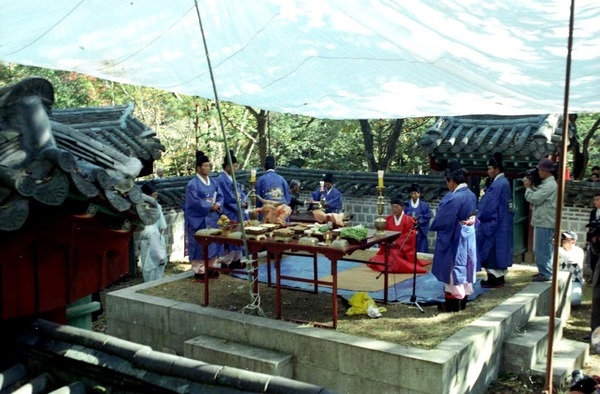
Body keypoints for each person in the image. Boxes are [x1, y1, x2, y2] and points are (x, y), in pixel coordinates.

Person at [430, 160, 478, 313]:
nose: (448, 185)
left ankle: (452, 306)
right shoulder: (471, 194)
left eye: (447, 182)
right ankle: (462, 303)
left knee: (452, 271)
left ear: (452, 181)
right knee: (464, 268)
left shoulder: (454, 198)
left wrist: (434, 225)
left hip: (454, 237)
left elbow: (442, 220)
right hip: (467, 236)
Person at [183, 150, 224, 281]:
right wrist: (208, 206)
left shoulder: (214, 182)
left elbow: (221, 195)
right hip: (199, 218)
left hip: (212, 218)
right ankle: (199, 270)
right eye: (205, 166)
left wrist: (218, 203)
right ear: (198, 168)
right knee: (199, 244)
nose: (208, 168)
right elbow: (193, 202)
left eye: (209, 166)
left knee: (213, 243)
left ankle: (212, 267)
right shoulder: (192, 184)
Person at [476, 152, 514, 288]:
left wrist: (480, 215)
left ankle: (493, 280)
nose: (488, 171)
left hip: (495, 223)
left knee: (492, 252)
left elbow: (488, 205)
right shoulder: (504, 183)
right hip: (503, 223)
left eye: (490, 168)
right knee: (501, 251)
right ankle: (500, 278)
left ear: (496, 169)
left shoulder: (498, 185)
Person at [367, 195, 429, 274]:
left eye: (396, 207)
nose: (394, 209)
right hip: (389, 247)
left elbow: (411, 235)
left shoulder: (409, 220)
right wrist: (388, 242)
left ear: (402, 208)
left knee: (393, 259)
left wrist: (397, 242)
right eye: (392, 207)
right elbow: (383, 233)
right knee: (377, 260)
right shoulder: (387, 219)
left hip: (403, 249)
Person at [524, 158, 558, 282]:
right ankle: (544, 271)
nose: (538, 172)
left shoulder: (549, 185)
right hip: (544, 220)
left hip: (545, 221)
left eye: (540, 170)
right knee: (544, 248)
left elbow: (534, 198)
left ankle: (545, 273)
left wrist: (528, 188)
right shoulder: (547, 184)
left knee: (543, 248)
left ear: (546, 171)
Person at [215, 150, 247, 270]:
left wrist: (243, 200)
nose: (236, 169)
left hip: (237, 211)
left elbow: (240, 192)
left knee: (238, 236)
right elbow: (227, 197)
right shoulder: (221, 179)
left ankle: (236, 260)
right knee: (230, 237)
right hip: (229, 211)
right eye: (234, 166)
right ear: (227, 166)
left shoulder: (231, 178)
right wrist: (239, 203)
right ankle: (225, 262)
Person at [138, 181, 168, 282]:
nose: (155, 198)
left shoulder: (157, 206)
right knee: (148, 267)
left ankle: (157, 283)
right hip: (148, 239)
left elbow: (162, 226)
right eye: (153, 195)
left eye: (156, 195)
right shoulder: (139, 207)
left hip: (157, 237)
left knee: (159, 264)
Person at [403, 183, 432, 253]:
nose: (413, 195)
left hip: (420, 231)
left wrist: (419, 220)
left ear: (419, 194)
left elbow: (427, 216)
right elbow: (403, 216)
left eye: (415, 193)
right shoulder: (406, 204)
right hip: (409, 232)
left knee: (421, 250)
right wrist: (410, 219)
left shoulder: (424, 205)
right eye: (412, 193)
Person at [558, 230, 585, 306]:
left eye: (567, 238)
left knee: (574, 302)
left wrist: (561, 255)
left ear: (573, 241)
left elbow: (573, 264)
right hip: (559, 279)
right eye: (563, 238)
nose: (563, 240)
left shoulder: (578, 251)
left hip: (574, 279)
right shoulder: (558, 250)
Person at [586, 193, 600, 273]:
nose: (595, 202)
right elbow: (590, 226)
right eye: (594, 200)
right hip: (593, 241)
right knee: (593, 262)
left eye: (597, 200)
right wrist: (588, 239)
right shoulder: (593, 212)